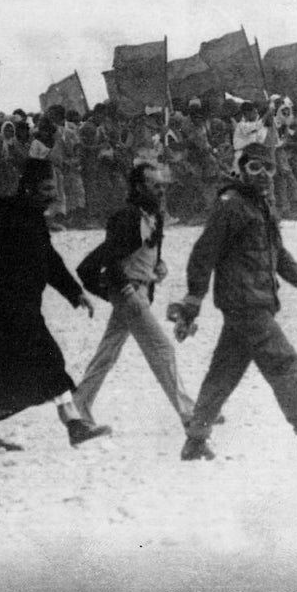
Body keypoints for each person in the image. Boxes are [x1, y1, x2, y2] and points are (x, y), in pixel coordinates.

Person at [175, 143, 297, 461]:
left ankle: (195, 441)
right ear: (241, 168)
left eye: (270, 168)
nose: (264, 175)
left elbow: (276, 251)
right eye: (255, 168)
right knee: (284, 361)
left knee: (224, 371)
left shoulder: (260, 205)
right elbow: (203, 253)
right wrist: (193, 299)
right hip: (245, 302)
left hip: (255, 300)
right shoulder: (231, 205)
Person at [0, 159, 110, 451]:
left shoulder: (33, 219)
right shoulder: (7, 218)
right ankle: (74, 426)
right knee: (49, 360)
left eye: (53, 188)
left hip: (26, 306)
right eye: (46, 188)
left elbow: (49, 261)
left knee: (3, 372)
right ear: (29, 188)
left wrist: (73, 292)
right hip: (8, 308)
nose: (52, 194)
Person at [72, 163, 197, 428]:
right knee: (162, 349)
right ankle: (189, 414)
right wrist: (128, 291)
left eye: (163, 186)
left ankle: (78, 406)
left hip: (138, 291)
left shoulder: (153, 216)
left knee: (108, 351)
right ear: (139, 187)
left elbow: (150, 253)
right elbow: (111, 257)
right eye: (155, 186)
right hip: (130, 293)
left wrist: (158, 266)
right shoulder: (126, 216)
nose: (161, 191)